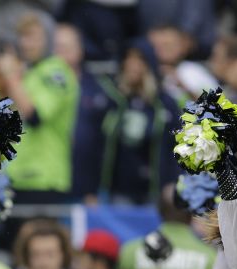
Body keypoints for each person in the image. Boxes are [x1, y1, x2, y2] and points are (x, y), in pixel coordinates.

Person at [76, 39, 180, 206]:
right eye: (129, 58)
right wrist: (90, 189)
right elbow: (93, 145)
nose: (133, 65)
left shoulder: (164, 104)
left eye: (139, 59)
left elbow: (177, 145)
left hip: (153, 191)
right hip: (115, 189)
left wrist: (173, 183)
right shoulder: (110, 100)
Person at [0, 13, 79, 206]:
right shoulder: (29, 72)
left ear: (48, 39)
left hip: (43, 177)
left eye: (33, 37)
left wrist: (11, 76)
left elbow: (35, 115)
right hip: (16, 176)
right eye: (22, 37)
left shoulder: (57, 72)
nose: (26, 44)